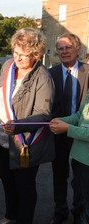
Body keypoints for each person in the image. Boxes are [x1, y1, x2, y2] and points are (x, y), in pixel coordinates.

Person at [0, 28, 55, 224]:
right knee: (7, 181)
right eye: (15, 52)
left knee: (24, 187)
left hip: (25, 143)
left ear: (35, 54)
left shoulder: (43, 77)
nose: (17, 58)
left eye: (23, 55)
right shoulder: (7, 65)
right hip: (2, 140)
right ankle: (10, 216)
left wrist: (18, 125)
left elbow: (44, 115)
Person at [49, 33, 89, 224]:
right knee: (59, 175)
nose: (64, 51)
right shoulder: (50, 74)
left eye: (68, 47)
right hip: (58, 131)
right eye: (60, 48)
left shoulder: (88, 71)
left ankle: (79, 212)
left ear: (78, 49)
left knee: (82, 178)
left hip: (82, 133)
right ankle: (60, 210)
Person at [49, 90, 89, 224]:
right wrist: (61, 120)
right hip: (79, 157)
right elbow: (79, 117)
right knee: (78, 196)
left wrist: (67, 129)